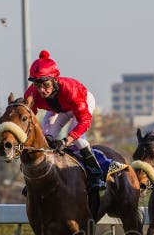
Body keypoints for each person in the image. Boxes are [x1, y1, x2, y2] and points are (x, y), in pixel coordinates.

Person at [24, 50, 105, 192]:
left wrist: (66, 141)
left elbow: (84, 120)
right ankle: (37, 177)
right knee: (46, 135)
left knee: (77, 138)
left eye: (45, 85)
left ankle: (97, 176)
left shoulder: (71, 90)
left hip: (81, 103)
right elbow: (28, 116)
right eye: (37, 85)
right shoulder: (33, 93)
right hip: (59, 108)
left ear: (55, 80)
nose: (42, 90)